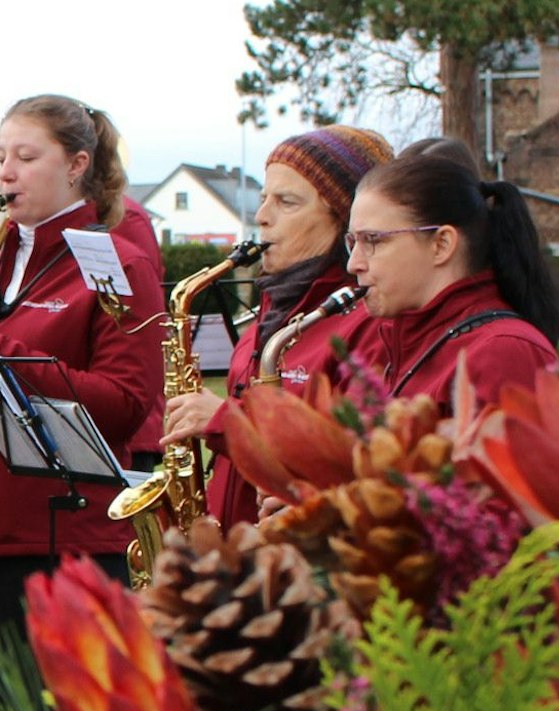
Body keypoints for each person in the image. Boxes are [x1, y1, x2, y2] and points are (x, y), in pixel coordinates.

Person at [0, 94, 165, 645]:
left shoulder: (119, 265)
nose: (5, 172)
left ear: (78, 165)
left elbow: (126, 403)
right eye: (1, 156)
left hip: (65, 542)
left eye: (26, 157)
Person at [161, 125, 393, 529]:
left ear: (345, 221)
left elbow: (350, 460)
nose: (262, 217)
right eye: (264, 198)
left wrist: (221, 422)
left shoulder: (368, 324)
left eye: (286, 202)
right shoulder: (272, 309)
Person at [345, 153, 559, 405]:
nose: (353, 264)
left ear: (441, 244)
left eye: (373, 240)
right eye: (352, 242)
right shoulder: (406, 343)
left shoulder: (502, 354)